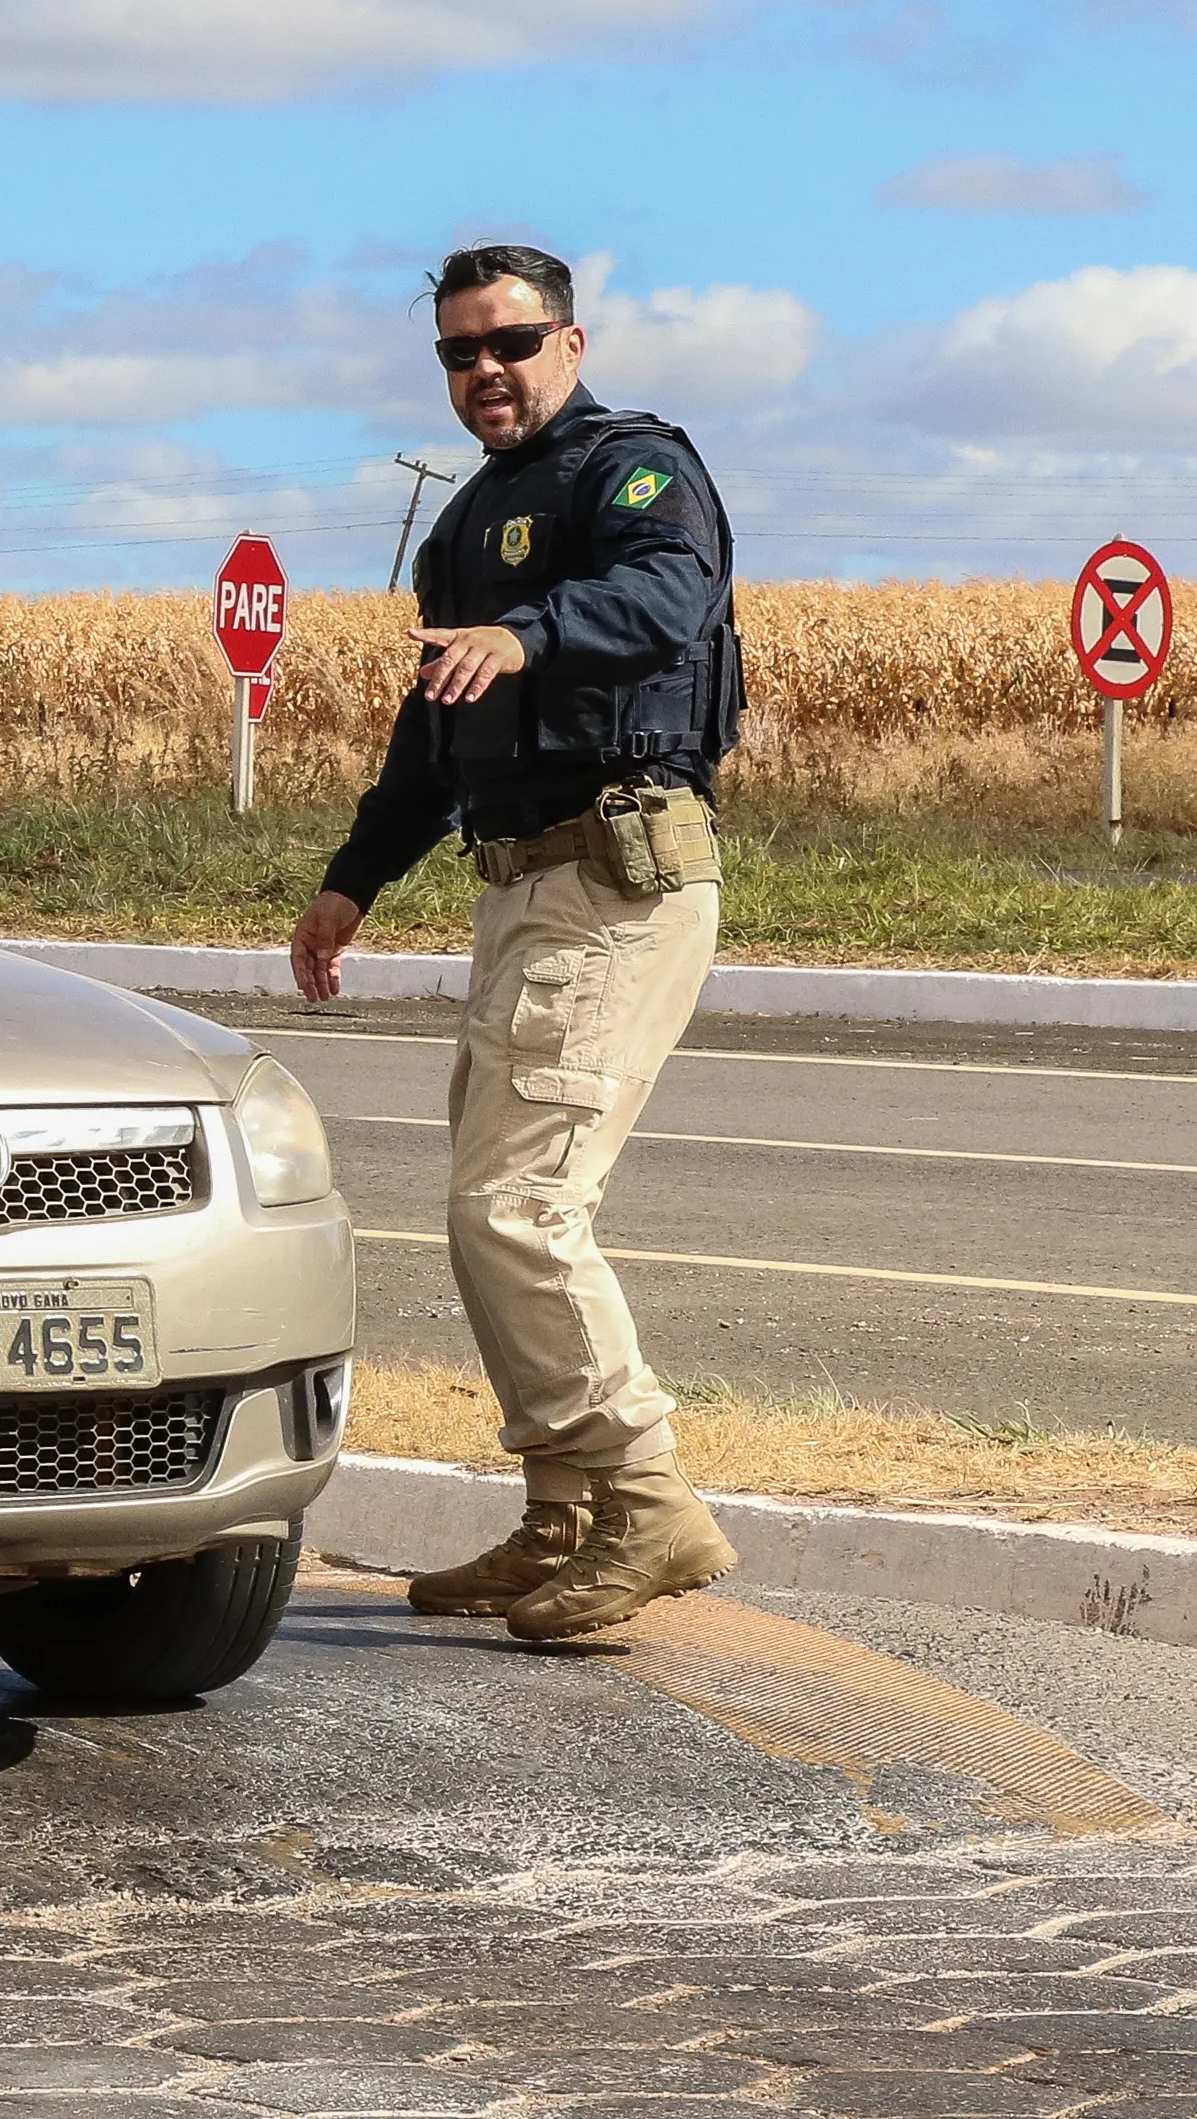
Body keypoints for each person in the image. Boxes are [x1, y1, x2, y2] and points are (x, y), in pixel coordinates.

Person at [290, 243, 744, 1643]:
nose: (484, 371)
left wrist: (531, 632)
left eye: (510, 342)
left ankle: (646, 1496)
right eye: (457, 353)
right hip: (520, 886)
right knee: (487, 1205)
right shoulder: (474, 517)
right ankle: (566, 1513)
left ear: (572, 338)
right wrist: (353, 880)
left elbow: (675, 596)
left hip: (617, 870)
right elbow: (434, 731)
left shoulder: (635, 468)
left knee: (521, 1205)